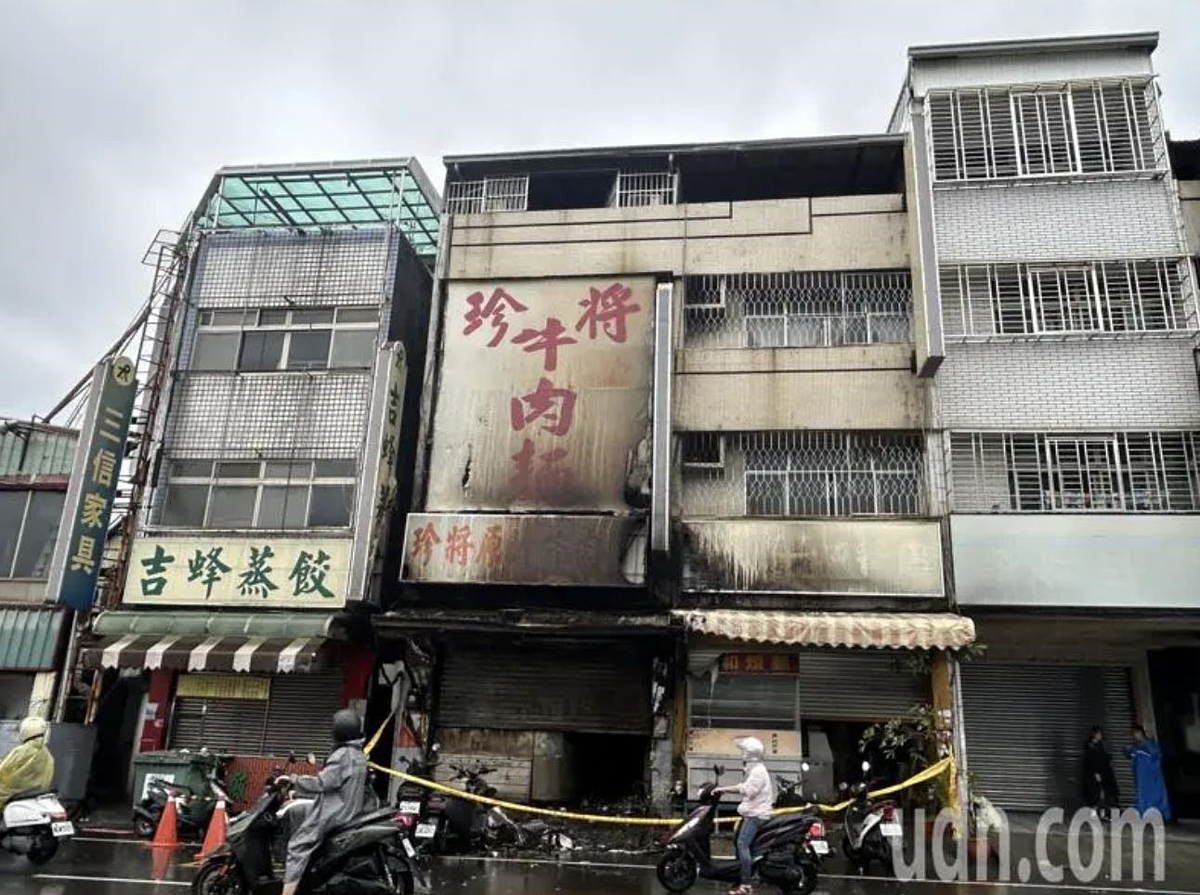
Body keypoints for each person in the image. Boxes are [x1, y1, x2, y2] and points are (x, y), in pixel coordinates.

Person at [281, 709, 370, 895]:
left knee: (297, 846)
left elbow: (322, 783)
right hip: (349, 809)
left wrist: (295, 780)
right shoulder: (359, 754)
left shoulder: (342, 755)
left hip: (335, 813)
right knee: (298, 812)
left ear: (339, 731)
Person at [713, 736, 774, 895]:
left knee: (742, 844)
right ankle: (740, 876)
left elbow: (748, 790)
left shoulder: (758, 771)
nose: (742, 755)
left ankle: (746, 884)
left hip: (756, 816)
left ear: (750, 754)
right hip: (753, 813)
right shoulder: (756, 769)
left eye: (744, 752)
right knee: (738, 842)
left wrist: (724, 789)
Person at [0, 717, 55, 807]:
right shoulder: (47, 755)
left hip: (12, 794)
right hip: (33, 795)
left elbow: (3, 769)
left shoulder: (21, 751)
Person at [1127, 723, 1171, 821]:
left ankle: (1160, 816)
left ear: (1141, 733)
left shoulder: (1150, 744)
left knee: (1156, 796)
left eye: (1136, 733)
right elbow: (1131, 758)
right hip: (1141, 778)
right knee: (1143, 797)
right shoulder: (1136, 747)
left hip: (1153, 777)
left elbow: (1156, 755)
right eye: (1133, 734)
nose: (1135, 736)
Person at [1082, 726, 1119, 819]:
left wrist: (1108, 758)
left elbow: (1102, 758)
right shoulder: (1090, 747)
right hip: (1095, 775)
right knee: (1097, 794)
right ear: (1094, 734)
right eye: (1099, 734)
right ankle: (1095, 813)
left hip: (1104, 773)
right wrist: (1095, 773)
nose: (1100, 735)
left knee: (1104, 794)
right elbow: (1090, 761)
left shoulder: (1100, 745)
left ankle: (1103, 813)